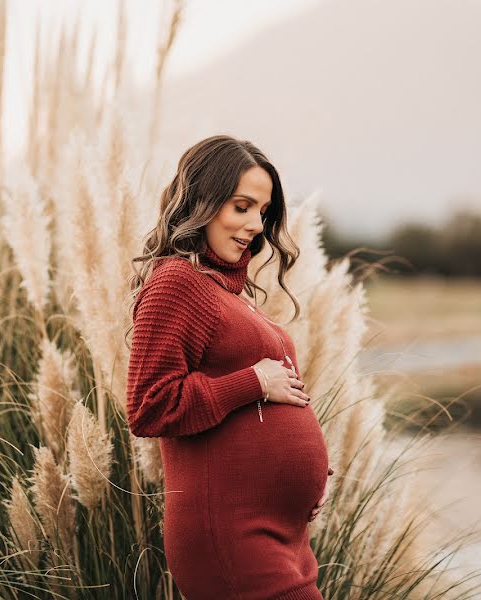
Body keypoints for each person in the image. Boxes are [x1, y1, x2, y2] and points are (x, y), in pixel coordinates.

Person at [125, 135, 332, 599]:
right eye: (241, 207)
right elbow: (149, 406)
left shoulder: (225, 292)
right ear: (202, 200)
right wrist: (254, 381)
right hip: (232, 537)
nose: (256, 225)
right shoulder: (177, 282)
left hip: (282, 536)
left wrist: (306, 476)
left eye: (262, 211)